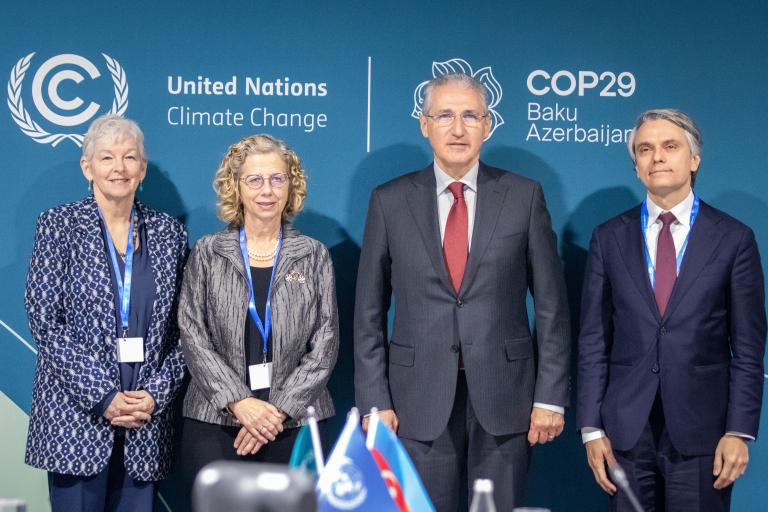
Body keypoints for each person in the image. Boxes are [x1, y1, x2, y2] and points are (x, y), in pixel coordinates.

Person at [354, 72, 571, 510]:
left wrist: (551, 396)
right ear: (424, 124)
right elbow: (368, 313)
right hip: (415, 403)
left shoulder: (524, 196)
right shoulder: (389, 200)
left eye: (470, 115)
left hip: (506, 399)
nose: (458, 128)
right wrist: (375, 402)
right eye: (445, 115)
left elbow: (551, 308)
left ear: (488, 125)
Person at [577, 109, 766, 511]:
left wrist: (740, 431)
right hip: (626, 432)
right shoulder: (608, 237)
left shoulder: (734, 239)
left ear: (693, 160)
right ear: (636, 165)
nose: (657, 157)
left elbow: (749, 348)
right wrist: (592, 429)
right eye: (645, 149)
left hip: (705, 435)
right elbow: (594, 339)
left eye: (669, 146)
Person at [24, 114, 188, 511]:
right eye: (107, 157)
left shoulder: (169, 233)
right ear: (88, 167)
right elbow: (43, 318)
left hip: (144, 422)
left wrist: (154, 395)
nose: (119, 168)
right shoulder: (59, 225)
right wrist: (103, 396)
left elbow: (188, 330)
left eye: (130, 157)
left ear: (143, 169)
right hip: (75, 419)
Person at [178, 134, 338, 491]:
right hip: (215, 423)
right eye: (255, 180)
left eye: (277, 178)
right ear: (236, 186)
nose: (267, 190)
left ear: (290, 185)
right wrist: (240, 403)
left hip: (294, 425)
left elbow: (325, 344)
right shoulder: (207, 253)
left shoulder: (314, 255)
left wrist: (276, 411)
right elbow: (192, 334)